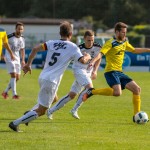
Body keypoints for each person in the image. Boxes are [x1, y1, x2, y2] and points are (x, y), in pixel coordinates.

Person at [8, 21, 91, 132]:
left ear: (60, 33)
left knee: (55, 98)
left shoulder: (52, 43)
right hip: (51, 81)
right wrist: (87, 56)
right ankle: (16, 123)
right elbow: (83, 61)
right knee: (42, 110)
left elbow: (34, 49)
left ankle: (29, 113)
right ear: (70, 35)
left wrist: (28, 65)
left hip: (43, 77)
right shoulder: (73, 47)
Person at [82, 22, 150, 122]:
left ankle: (136, 115)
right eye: (123, 32)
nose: (125, 34)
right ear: (117, 32)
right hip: (110, 71)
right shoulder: (110, 43)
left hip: (119, 72)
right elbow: (101, 54)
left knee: (137, 89)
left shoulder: (124, 42)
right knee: (117, 93)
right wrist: (92, 61)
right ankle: (92, 91)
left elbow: (134, 50)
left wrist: (148, 50)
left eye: (125, 32)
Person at [47, 30, 101, 120]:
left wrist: (95, 70)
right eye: (88, 40)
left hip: (88, 72)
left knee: (72, 95)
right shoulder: (78, 48)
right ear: (84, 39)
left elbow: (98, 57)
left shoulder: (97, 47)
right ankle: (74, 109)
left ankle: (50, 111)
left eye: (92, 40)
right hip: (78, 70)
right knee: (90, 89)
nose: (90, 42)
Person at [2, 22, 25, 99]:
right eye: (18, 29)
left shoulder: (22, 38)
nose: (20, 30)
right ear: (15, 29)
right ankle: (14, 94)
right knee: (13, 75)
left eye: (21, 29)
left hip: (17, 59)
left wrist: (23, 60)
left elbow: (22, 50)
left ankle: (5, 92)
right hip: (9, 58)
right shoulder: (9, 37)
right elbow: (2, 44)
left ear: (23, 30)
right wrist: (2, 55)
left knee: (17, 78)